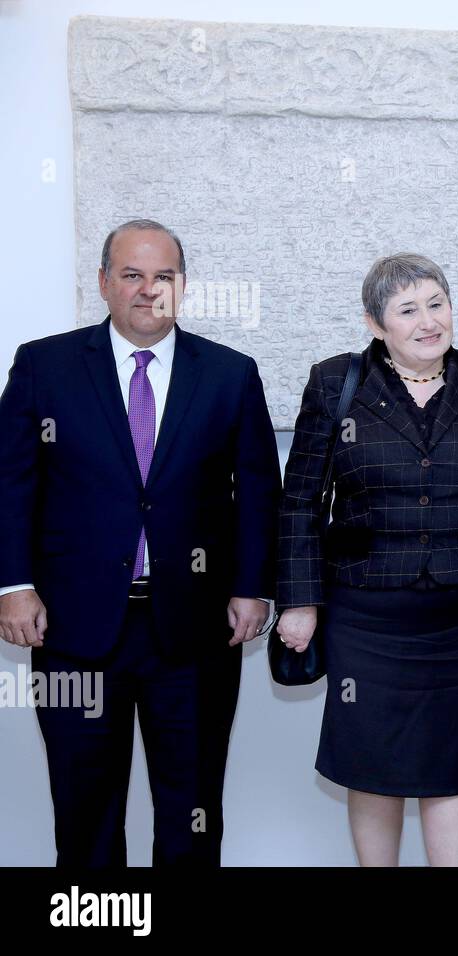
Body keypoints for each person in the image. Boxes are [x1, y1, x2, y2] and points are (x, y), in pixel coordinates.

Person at [0, 219, 281, 865]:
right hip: (72, 631)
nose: (148, 290)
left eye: (164, 277)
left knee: (192, 810)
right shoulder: (46, 365)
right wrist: (13, 586)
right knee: (85, 808)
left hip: (194, 630)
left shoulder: (231, 374)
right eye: (132, 275)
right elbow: (10, 483)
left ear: (183, 286)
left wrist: (251, 587)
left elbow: (260, 492)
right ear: (103, 283)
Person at [277, 253, 458, 866]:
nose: (428, 322)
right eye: (407, 311)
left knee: (453, 764)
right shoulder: (334, 382)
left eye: (436, 304)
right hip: (365, 612)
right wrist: (298, 601)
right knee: (371, 763)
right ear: (376, 324)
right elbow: (300, 502)